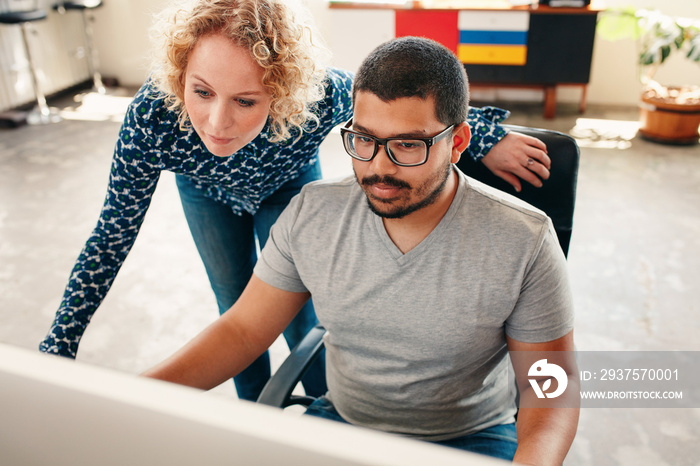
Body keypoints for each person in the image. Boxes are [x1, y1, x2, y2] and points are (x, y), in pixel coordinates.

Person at [39, 0, 551, 402]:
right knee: (235, 308)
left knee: (307, 309)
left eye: (246, 101)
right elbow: (111, 236)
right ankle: (255, 413)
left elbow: (399, 106)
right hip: (207, 195)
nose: (217, 124)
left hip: (286, 186)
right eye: (201, 92)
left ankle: (326, 413)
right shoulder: (151, 118)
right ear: (179, 79)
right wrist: (59, 344)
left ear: (282, 93)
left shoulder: (320, 95)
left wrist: (483, 136)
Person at [143, 36, 578, 464]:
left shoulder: (525, 239)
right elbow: (242, 332)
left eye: (408, 144)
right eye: (365, 139)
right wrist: (132, 396)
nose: (379, 168)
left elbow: (550, 392)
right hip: (343, 427)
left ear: (458, 143)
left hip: (470, 438)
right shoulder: (312, 214)